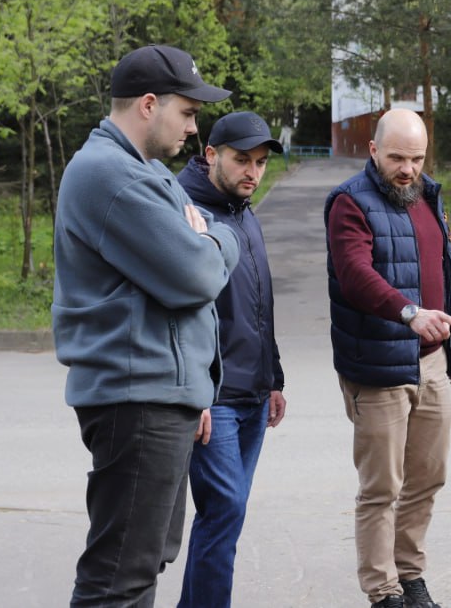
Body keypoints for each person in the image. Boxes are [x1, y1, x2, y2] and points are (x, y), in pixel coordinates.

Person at [52, 44, 239, 607]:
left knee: (143, 562)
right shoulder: (111, 175)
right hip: (137, 401)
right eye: (188, 112)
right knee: (119, 578)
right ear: (149, 105)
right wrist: (216, 238)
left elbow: (196, 255)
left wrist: (194, 389)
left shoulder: (146, 171)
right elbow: (196, 274)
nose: (194, 127)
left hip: (160, 395)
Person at [324, 108, 451, 608]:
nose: (407, 169)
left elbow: (443, 279)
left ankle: (410, 575)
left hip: (433, 362)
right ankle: (383, 590)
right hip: (379, 367)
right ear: (373, 150)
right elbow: (355, 275)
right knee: (381, 488)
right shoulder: (349, 203)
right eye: (396, 158)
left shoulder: (428, 197)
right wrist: (409, 314)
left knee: (428, 477)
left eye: (416, 159)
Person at [176, 111, 287, 608]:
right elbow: (179, 310)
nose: (253, 172)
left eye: (261, 163)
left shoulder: (243, 211)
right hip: (215, 398)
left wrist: (274, 378)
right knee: (223, 509)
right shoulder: (185, 210)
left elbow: (259, 304)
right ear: (211, 155)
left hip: (254, 395)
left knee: (226, 516)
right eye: (242, 160)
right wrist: (194, 392)